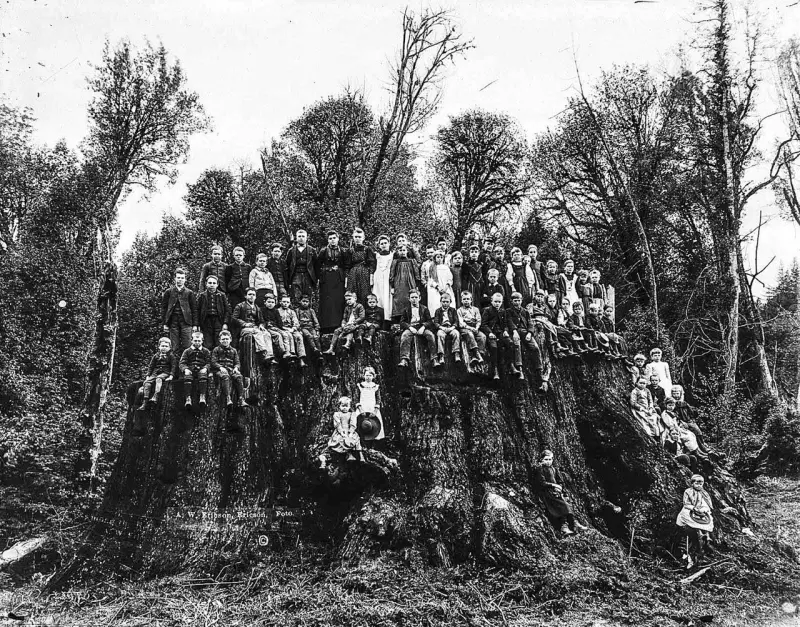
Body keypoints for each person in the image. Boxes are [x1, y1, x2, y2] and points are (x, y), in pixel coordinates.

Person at [534, 450, 588, 536]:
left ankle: (574, 523)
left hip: (556, 492)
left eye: (550, 459)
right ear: (541, 460)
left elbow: (560, 481)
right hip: (547, 493)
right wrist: (553, 485)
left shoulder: (554, 469)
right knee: (561, 506)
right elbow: (542, 483)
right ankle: (564, 527)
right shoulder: (539, 469)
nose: (548, 462)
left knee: (567, 504)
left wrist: (559, 487)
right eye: (546, 459)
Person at [508, 291, 547, 389]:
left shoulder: (525, 311)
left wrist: (529, 333)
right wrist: (514, 331)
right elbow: (509, 322)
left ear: (522, 301)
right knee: (517, 346)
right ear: (511, 301)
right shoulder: (508, 311)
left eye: (519, 300)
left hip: (525, 332)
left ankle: (539, 371)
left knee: (535, 348)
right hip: (515, 332)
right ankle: (520, 369)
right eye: (515, 301)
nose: (517, 302)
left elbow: (530, 323)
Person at [481, 292, 521, 380]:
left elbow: (505, 324)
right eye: (495, 302)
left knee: (510, 343)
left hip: (500, 333)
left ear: (502, 302)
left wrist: (506, 331)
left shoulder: (503, 311)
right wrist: (489, 333)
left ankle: (511, 365)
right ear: (491, 301)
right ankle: (495, 369)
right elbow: (483, 324)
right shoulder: (487, 310)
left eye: (499, 302)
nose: (497, 304)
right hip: (492, 333)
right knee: (494, 347)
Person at [676, 475, 714, 567]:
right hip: (689, 511)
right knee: (687, 527)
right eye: (697, 483)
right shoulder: (688, 492)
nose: (699, 486)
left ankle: (705, 543)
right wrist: (694, 508)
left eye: (701, 484)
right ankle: (685, 553)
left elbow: (706, 504)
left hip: (701, 513)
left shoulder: (704, 493)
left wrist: (704, 509)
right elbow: (686, 504)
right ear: (692, 483)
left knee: (707, 522)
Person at [231, 287, 275, 366]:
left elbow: (261, 321)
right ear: (245, 296)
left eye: (253, 295)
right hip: (244, 329)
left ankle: (269, 355)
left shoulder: (257, 308)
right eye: (250, 294)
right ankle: (263, 352)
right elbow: (234, 318)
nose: (252, 296)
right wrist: (244, 324)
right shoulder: (240, 306)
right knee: (257, 332)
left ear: (256, 297)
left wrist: (261, 325)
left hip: (254, 327)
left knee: (266, 334)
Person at [161, 267, 198, 356]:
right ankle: (175, 364)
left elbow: (194, 309)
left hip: (186, 322)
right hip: (173, 322)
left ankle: (187, 364)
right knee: (174, 347)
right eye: (178, 278)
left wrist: (195, 325)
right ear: (175, 279)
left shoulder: (189, 293)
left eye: (182, 278)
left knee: (188, 345)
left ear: (185, 279)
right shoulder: (168, 292)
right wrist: (165, 323)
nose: (180, 280)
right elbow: (164, 309)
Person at [316, 230, 347, 333]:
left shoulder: (343, 251)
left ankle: (338, 325)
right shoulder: (323, 251)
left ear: (338, 239)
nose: (332, 240)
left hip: (338, 279)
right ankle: (326, 326)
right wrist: (321, 276)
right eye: (330, 238)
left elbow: (346, 265)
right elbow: (317, 265)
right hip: (327, 279)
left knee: (338, 301)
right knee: (327, 302)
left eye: (334, 238)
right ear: (328, 240)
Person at [319, 396, 362, 468]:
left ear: (349, 406)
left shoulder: (352, 414)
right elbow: (338, 424)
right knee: (340, 440)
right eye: (343, 406)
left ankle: (357, 455)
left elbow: (353, 424)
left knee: (355, 439)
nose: (345, 408)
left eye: (346, 406)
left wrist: (351, 432)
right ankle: (342, 454)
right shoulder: (337, 414)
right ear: (339, 406)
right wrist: (342, 432)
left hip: (349, 431)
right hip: (340, 432)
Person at [398, 289, 436, 369]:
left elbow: (429, 321)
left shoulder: (424, 308)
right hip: (411, 327)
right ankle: (404, 358)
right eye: (412, 297)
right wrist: (410, 327)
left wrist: (423, 327)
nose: (414, 299)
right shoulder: (406, 309)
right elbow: (402, 322)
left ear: (419, 298)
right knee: (405, 336)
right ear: (409, 299)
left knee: (430, 335)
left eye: (416, 297)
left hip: (421, 327)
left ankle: (434, 358)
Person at [211, 330, 249, 408]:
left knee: (239, 377)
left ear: (230, 339)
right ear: (220, 340)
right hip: (220, 370)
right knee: (225, 377)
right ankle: (228, 397)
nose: (225, 341)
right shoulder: (216, 350)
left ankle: (241, 399)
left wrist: (236, 368)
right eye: (223, 339)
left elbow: (237, 362)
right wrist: (220, 367)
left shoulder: (234, 350)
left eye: (227, 339)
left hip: (230, 369)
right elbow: (213, 362)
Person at [138, 337, 175, 411]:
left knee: (159, 379)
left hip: (165, 373)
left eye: (166, 346)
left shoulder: (171, 356)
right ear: (159, 347)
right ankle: (145, 401)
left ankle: (156, 395)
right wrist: (148, 375)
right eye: (162, 346)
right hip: (155, 373)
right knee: (147, 383)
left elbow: (173, 366)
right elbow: (151, 366)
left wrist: (171, 375)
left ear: (170, 348)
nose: (164, 348)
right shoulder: (156, 356)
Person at [195, 275, 231, 350]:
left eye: (214, 283)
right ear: (206, 284)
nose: (212, 285)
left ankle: (218, 356)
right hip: (206, 321)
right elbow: (197, 310)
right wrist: (197, 324)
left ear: (217, 284)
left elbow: (227, 310)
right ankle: (208, 356)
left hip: (218, 320)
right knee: (207, 342)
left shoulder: (222, 295)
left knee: (218, 341)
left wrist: (225, 323)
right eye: (210, 283)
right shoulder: (202, 295)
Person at [324, 290, 365, 354]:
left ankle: (347, 343)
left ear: (355, 298)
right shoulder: (347, 308)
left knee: (349, 330)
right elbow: (344, 318)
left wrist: (354, 322)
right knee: (336, 331)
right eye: (346, 300)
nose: (348, 301)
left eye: (349, 299)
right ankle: (331, 348)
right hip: (348, 325)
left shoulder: (359, 306)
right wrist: (343, 323)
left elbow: (362, 317)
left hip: (357, 324)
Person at [179, 331, 211, 410]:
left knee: (203, 377)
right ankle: (188, 398)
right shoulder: (187, 351)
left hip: (201, 369)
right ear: (191, 340)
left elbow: (209, 362)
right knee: (187, 378)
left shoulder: (206, 351)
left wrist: (205, 368)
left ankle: (202, 396)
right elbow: (182, 363)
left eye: (199, 341)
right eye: (195, 341)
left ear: (202, 341)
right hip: (190, 369)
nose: (197, 342)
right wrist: (185, 369)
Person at [286, 229, 317, 306]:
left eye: (303, 236)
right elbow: (287, 265)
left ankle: (308, 313)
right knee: (296, 297)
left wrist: (316, 279)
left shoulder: (312, 250)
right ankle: (297, 312)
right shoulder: (291, 250)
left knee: (308, 298)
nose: (301, 238)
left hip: (308, 276)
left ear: (306, 238)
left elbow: (316, 265)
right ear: (296, 238)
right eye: (299, 236)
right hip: (296, 276)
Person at [389, 244, 420, 323]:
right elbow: (392, 274)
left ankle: (411, 319)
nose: (402, 252)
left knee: (409, 299)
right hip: (399, 284)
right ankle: (399, 320)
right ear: (398, 252)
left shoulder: (412, 261)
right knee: (399, 300)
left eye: (404, 250)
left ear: (407, 251)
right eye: (400, 250)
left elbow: (416, 274)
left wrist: (417, 285)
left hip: (410, 283)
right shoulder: (395, 261)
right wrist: (392, 287)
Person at [346, 227, 376, 306]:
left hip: (364, 274)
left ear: (363, 238)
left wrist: (371, 276)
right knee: (353, 294)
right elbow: (347, 265)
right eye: (356, 237)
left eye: (359, 237)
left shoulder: (367, 249)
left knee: (364, 293)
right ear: (353, 238)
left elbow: (372, 263)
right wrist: (347, 278)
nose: (357, 239)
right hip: (353, 275)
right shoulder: (350, 250)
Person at [262, 293, 294, 362]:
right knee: (278, 335)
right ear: (265, 302)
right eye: (269, 302)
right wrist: (267, 324)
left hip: (276, 327)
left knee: (285, 334)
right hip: (268, 328)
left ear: (275, 303)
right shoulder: (262, 310)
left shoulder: (276, 311)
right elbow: (261, 321)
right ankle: (282, 351)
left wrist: (282, 328)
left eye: (272, 302)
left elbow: (279, 322)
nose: (270, 304)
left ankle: (288, 352)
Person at [457, 291, 486, 367]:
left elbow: (479, 320)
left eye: (468, 299)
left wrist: (476, 328)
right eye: (464, 299)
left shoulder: (475, 309)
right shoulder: (459, 310)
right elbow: (461, 323)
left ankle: (480, 353)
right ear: (461, 300)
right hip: (465, 328)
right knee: (470, 334)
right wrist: (470, 328)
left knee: (482, 336)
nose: (466, 301)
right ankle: (475, 354)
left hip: (475, 327)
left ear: (471, 300)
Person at [433, 292, 461, 368]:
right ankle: (441, 355)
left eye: (447, 302)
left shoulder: (453, 310)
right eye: (443, 302)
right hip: (442, 328)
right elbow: (436, 322)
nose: (445, 304)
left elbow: (456, 321)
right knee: (440, 335)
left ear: (450, 302)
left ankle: (456, 353)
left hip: (451, 327)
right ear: (441, 302)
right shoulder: (438, 311)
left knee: (456, 334)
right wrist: (441, 327)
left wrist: (452, 327)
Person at [278, 294, 307, 367]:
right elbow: (277, 323)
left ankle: (301, 359)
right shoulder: (277, 311)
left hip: (291, 329)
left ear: (289, 303)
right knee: (288, 336)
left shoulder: (292, 312)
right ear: (280, 302)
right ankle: (290, 356)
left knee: (299, 336)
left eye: (287, 302)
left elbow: (296, 323)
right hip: (282, 329)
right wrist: (284, 328)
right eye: (284, 302)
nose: (285, 304)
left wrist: (293, 329)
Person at [356, 366, 384, 440]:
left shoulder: (375, 386)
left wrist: (375, 410)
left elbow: (378, 399)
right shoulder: (360, 386)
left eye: (370, 375)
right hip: (362, 408)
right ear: (363, 376)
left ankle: (373, 442)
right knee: (361, 424)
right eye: (367, 375)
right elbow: (356, 398)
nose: (368, 377)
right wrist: (360, 409)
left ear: (373, 376)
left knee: (373, 425)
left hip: (372, 408)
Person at [372, 235, 394, 327]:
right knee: (379, 297)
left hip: (388, 279)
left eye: (385, 243)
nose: (384, 245)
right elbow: (373, 268)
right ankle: (378, 321)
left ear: (389, 244)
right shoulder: (376, 255)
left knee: (387, 299)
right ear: (379, 245)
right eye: (381, 244)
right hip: (378, 279)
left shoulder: (392, 255)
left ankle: (387, 321)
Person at [427, 250, 454, 316]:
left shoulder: (446, 267)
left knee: (447, 301)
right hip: (436, 289)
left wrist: (446, 287)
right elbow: (431, 280)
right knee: (436, 303)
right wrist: (438, 287)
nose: (440, 259)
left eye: (441, 257)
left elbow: (450, 278)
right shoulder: (432, 267)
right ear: (435, 258)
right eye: (438, 257)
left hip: (445, 288)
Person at [296, 294, 322, 359]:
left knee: (316, 337)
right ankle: (314, 348)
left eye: (306, 302)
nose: (305, 303)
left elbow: (315, 320)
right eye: (303, 301)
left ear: (309, 302)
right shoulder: (297, 310)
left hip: (311, 327)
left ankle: (320, 353)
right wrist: (299, 329)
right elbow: (296, 321)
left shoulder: (311, 310)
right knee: (308, 335)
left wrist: (317, 329)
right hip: (303, 328)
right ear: (300, 301)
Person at [462, 245, 485, 311]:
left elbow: (483, 275)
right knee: (471, 300)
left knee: (479, 300)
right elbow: (465, 277)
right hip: (471, 285)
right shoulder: (466, 264)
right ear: (469, 253)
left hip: (480, 285)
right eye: (472, 252)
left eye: (476, 252)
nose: (474, 253)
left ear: (479, 253)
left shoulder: (482, 264)